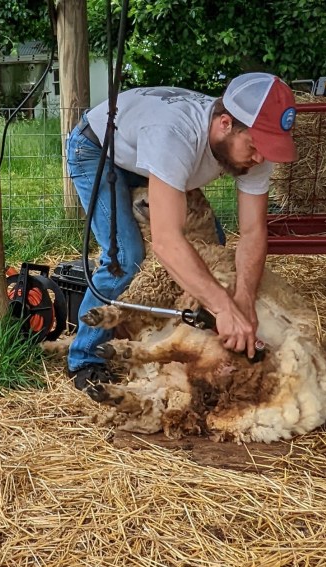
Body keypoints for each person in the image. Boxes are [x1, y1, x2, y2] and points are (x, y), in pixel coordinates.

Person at [65, 72, 299, 393]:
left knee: (210, 249)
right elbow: (166, 240)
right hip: (98, 150)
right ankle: (85, 358)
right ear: (225, 123)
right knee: (125, 256)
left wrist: (242, 301)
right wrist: (222, 307)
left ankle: (178, 344)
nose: (260, 158)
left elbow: (253, 232)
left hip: (155, 158)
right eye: (255, 147)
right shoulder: (174, 135)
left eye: (267, 150)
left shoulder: (253, 146)